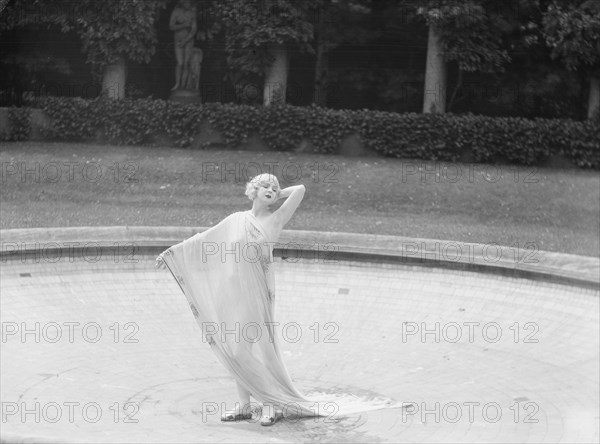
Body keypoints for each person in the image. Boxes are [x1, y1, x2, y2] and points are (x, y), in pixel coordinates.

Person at [156, 174, 402, 426]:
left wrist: (276, 192)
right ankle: (244, 404)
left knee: (254, 349)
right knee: (235, 350)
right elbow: (205, 238)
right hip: (231, 293)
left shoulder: (276, 219)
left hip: (256, 294)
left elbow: (301, 190)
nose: (271, 190)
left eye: (274, 187)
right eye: (265, 186)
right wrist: (172, 253)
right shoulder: (236, 219)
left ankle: (271, 404)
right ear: (252, 191)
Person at [169, 0, 197, 91]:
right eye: (186, 2)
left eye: (189, 2)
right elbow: (171, 26)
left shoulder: (192, 13)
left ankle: (184, 86)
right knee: (180, 63)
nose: (188, 4)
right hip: (178, 41)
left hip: (188, 41)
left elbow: (193, 30)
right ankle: (177, 84)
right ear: (182, 3)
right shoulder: (176, 12)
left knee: (186, 63)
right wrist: (184, 25)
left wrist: (185, 40)